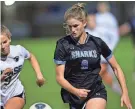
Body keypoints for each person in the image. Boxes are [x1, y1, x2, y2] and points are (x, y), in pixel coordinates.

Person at [53, 3, 132, 109]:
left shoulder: (97, 42)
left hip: (96, 91)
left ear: (84, 22)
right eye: (70, 26)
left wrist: (125, 93)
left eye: (76, 26)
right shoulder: (63, 45)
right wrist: (76, 91)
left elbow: (116, 67)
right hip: (74, 95)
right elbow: (59, 77)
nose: (72, 30)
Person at [0, 25, 45, 109]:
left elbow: (31, 57)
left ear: (9, 38)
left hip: (16, 94)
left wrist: (39, 76)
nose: (2, 47)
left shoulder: (18, 51)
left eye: (4, 42)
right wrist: (1, 77)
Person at [85, 14, 121, 94]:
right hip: (93, 60)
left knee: (96, 75)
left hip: (104, 59)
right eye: (89, 21)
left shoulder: (102, 30)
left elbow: (115, 36)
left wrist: (111, 47)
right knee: (104, 76)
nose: (91, 22)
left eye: (92, 20)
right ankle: (117, 89)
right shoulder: (85, 33)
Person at [95, 1, 121, 94]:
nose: (101, 7)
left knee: (101, 69)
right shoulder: (96, 17)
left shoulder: (110, 18)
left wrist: (111, 47)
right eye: (99, 5)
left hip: (106, 49)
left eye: (102, 6)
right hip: (96, 49)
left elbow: (115, 35)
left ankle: (89, 86)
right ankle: (116, 87)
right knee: (104, 72)